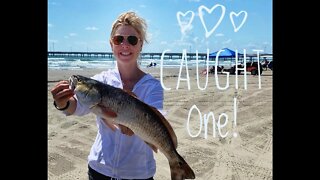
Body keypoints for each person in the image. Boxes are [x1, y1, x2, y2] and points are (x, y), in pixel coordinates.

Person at [50, 11, 163, 180]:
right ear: (111, 44)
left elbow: (155, 121)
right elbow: (77, 106)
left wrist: (129, 123)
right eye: (119, 39)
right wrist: (62, 102)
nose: (125, 45)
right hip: (99, 170)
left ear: (141, 45)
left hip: (138, 174)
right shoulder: (101, 80)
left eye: (132, 40)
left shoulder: (153, 86)